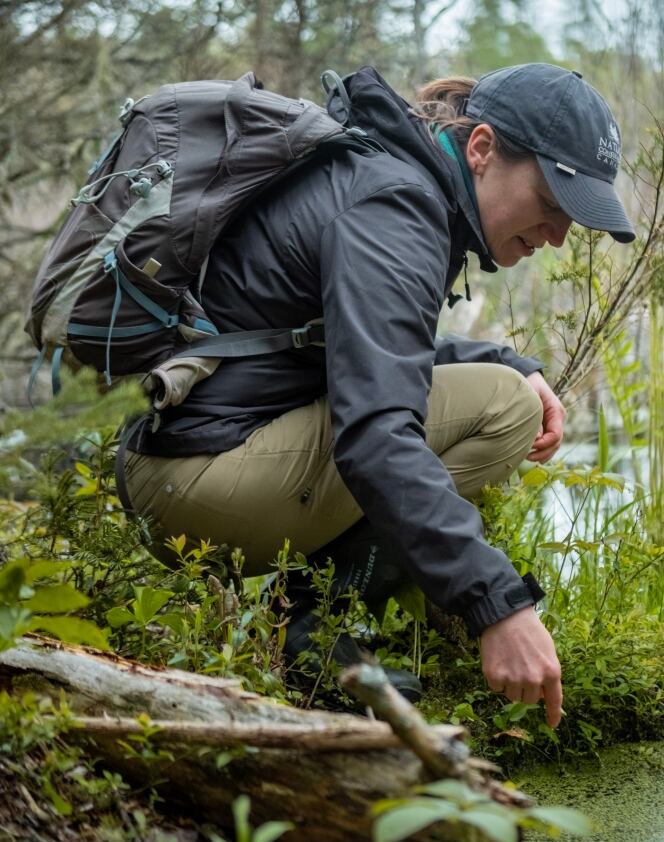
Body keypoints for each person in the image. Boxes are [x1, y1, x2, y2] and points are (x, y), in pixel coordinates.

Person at [123, 63, 635, 715]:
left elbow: (364, 347)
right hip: (198, 483)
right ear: (482, 149)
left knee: (507, 385)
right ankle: (317, 640)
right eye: (554, 201)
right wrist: (500, 607)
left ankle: (315, 630)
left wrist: (507, 358)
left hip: (188, 466)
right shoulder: (397, 204)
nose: (560, 233)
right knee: (504, 409)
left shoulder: (387, 177)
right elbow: (376, 436)